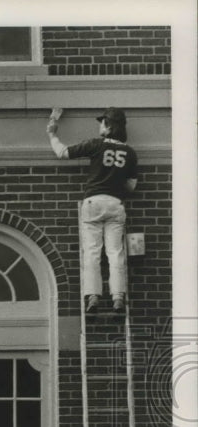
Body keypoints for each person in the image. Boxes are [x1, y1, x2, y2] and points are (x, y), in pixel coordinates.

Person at [47, 107, 138, 314]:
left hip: (93, 202)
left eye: (102, 122)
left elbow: (63, 152)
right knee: (115, 253)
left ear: (108, 125)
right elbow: (131, 186)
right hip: (115, 204)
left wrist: (52, 133)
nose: (99, 126)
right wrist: (115, 178)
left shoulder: (96, 145)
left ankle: (93, 296)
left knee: (92, 252)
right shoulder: (130, 153)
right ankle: (117, 297)